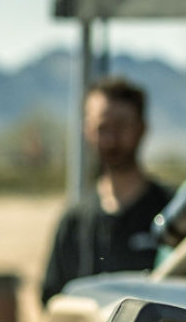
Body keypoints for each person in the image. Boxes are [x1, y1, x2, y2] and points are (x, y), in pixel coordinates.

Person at [38, 76, 172, 303]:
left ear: (141, 129)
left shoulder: (172, 212)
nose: (111, 140)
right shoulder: (75, 221)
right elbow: (53, 304)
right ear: (87, 131)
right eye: (102, 128)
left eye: (121, 127)